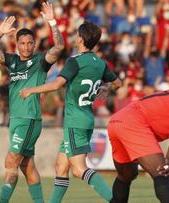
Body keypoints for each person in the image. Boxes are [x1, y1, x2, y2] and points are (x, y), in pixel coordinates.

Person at [19, 21, 122, 203]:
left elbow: (57, 84)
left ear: (81, 39)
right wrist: (106, 87)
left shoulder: (75, 62)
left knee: (78, 169)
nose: (75, 37)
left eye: (76, 35)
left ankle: (116, 200)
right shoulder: (100, 62)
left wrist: (31, 90)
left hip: (75, 121)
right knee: (61, 166)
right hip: (85, 119)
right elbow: (118, 83)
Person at [0, 2, 65, 203]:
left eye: (30, 43)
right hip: (16, 120)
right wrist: (0, 33)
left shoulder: (40, 62)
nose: (26, 46)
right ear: (17, 44)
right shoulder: (12, 61)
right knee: (26, 165)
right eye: (22, 43)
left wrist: (52, 22)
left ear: (34, 44)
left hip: (29, 119)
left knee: (11, 160)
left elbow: (59, 47)